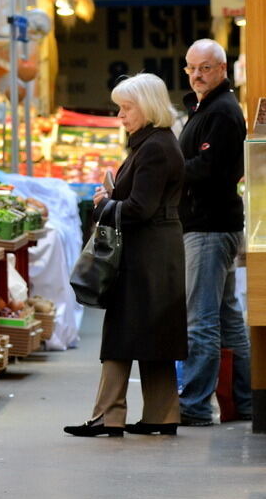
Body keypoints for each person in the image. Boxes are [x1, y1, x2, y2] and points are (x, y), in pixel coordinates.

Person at [64, 73, 187, 437]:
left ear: (146, 107)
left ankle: (109, 415)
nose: (120, 114)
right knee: (154, 333)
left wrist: (105, 204)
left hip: (145, 254)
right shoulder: (157, 143)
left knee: (122, 332)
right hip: (157, 253)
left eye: (126, 107)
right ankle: (161, 415)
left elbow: (139, 208)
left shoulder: (153, 148)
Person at [178, 39, 251, 426]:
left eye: (204, 68)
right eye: (190, 68)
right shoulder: (205, 107)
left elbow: (206, 169)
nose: (196, 75)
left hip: (208, 227)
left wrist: (171, 166)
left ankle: (194, 407)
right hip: (213, 226)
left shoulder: (222, 111)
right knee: (226, 317)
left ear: (222, 69)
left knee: (202, 321)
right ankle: (247, 401)